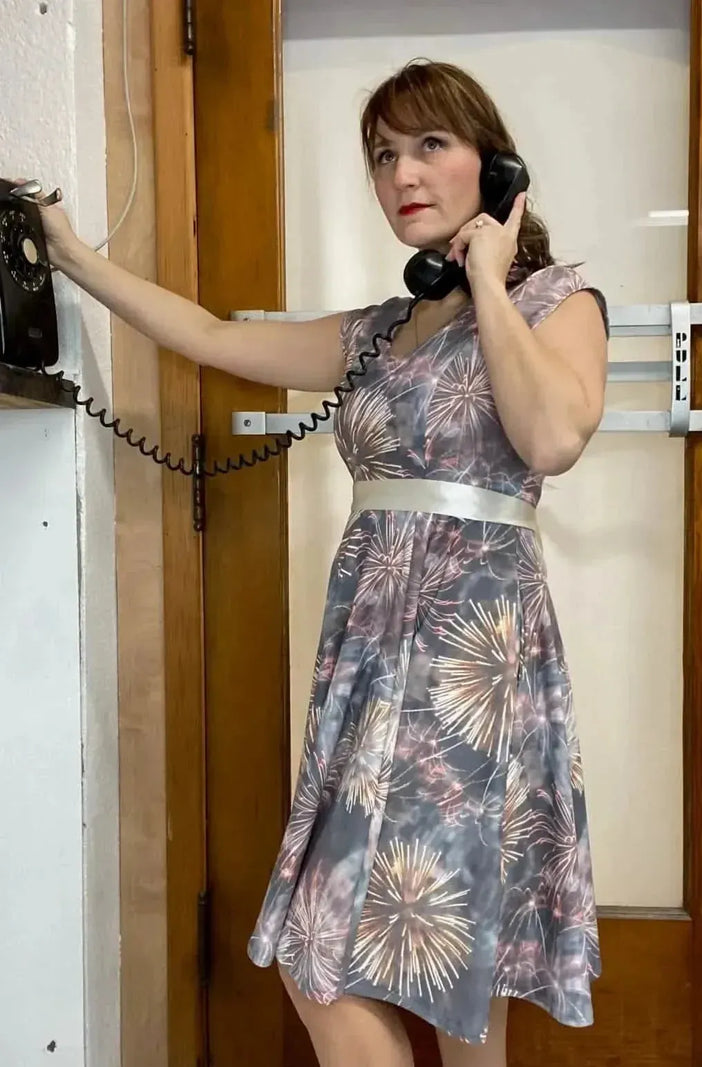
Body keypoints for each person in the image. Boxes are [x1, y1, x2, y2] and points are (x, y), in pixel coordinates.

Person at [29, 57, 608, 1067]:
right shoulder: (380, 332)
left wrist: (488, 276)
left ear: (494, 165)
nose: (401, 174)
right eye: (382, 155)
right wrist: (72, 256)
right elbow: (211, 336)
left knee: (443, 957)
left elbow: (551, 436)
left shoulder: (559, 301)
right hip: (368, 664)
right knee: (370, 948)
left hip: (470, 672)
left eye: (429, 144)